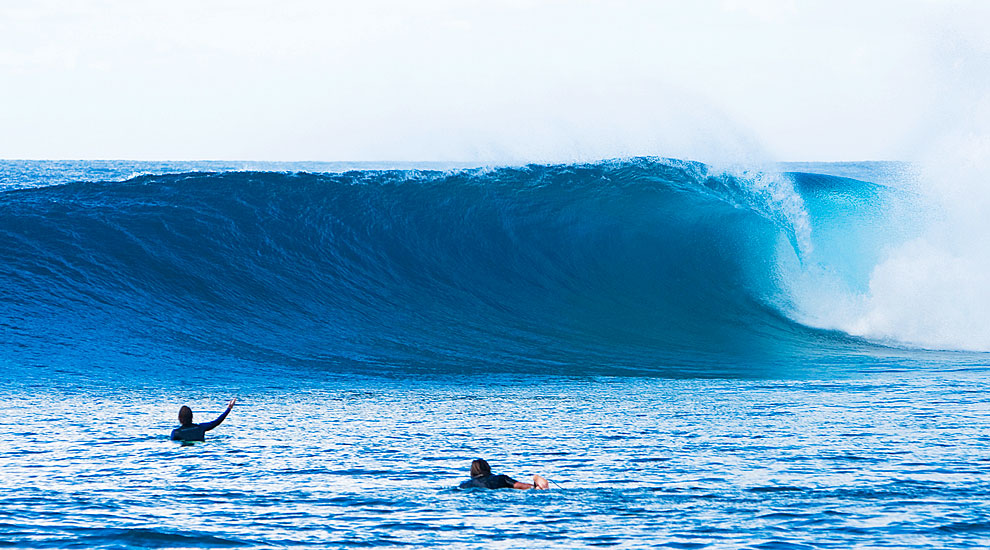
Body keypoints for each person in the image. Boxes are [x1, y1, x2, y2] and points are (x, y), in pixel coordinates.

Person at [170, 398, 237, 441]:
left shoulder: (176, 433)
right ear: (192, 417)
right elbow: (216, 422)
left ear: (179, 418)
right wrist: (228, 409)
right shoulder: (200, 428)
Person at [458, 458, 549, 490]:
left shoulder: (464, 485)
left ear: (472, 472)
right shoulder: (501, 478)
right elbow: (521, 486)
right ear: (488, 468)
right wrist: (535, 485)